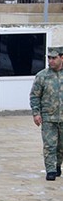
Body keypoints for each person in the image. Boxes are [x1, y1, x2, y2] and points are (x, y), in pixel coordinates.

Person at [29, 46, 63, 181]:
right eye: (49, 58)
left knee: (61, 146)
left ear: (62, 57)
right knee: (50, 145)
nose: (51, 61)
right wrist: (36, 113)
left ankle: (57, 165)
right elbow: (34, 96)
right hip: (49, 117)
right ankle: (50, 170)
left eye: (54, 58)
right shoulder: (42, 76)